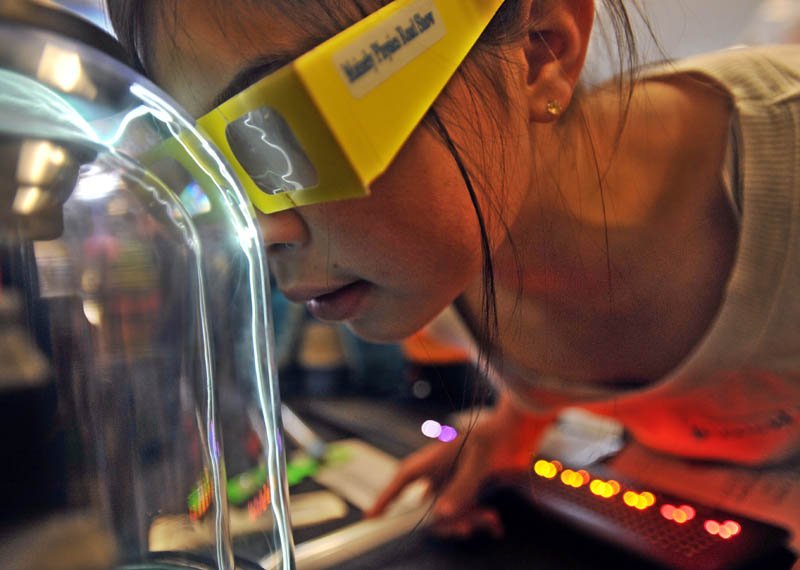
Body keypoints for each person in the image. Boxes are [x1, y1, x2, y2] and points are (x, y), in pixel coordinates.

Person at [106, 0, 800, 542]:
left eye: (273, 138)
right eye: (202, 171)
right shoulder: (428, 271)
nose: (256, 232)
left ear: (538, 50)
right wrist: (515, 423)